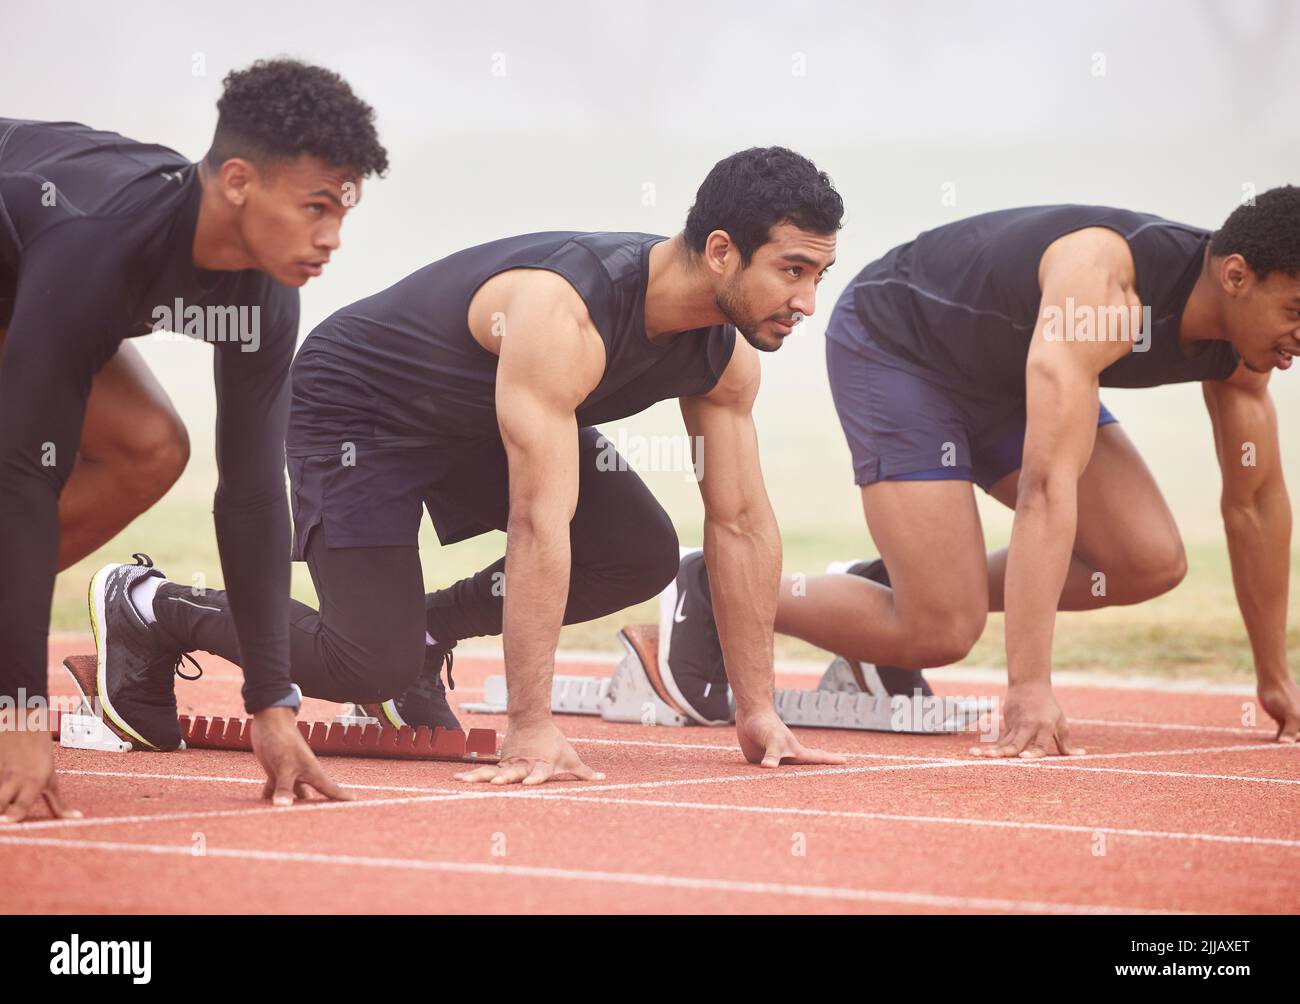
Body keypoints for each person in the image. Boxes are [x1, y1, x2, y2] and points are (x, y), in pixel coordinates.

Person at [98, 146, 849, 785]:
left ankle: (425, 632)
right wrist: (531, 725)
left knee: (638, 555)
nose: (807, 300)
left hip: (486, 422)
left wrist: (758, 711)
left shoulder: (725, 357)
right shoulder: (568, 311)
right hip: (365, 409)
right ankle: (148, 604)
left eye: (819, 274)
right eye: (792, 271)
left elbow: (741, 522)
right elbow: (537, 520)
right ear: (722, 251)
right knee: (367, 662)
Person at [662, 195, 1300, 755]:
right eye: (1296, 308)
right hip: (902, 347)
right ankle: (711, 581)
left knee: (1148, 560)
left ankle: (890, 586)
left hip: (1012, 377)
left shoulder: (1248, 352)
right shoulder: (1103, 284)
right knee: (943, 629)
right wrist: (1029, 687)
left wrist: (1275, 677)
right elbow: (1047, 489)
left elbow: (1257, 505)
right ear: (1238, 276)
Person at [0, 59, 388, 823]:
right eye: (315, 207)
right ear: (239, 181)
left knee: (150, 448)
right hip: (38, 264)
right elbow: (23, 476)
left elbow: (248, 495)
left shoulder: (267, 289)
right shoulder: (102, 243)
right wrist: (17, 719)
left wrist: (272, 704)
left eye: (343, 212)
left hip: (24, 285)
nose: (332, 238)